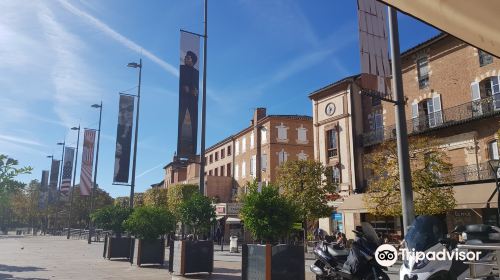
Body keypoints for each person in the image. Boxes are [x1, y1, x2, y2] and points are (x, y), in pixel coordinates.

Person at [178, 51, 200, 158]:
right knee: (181, 120)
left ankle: (192, 149)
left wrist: (193, 91)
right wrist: (185, 88)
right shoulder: (181, 69)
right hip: (183, 100)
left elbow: (196, 89)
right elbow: (182, 84)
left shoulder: (196, 73)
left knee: (194, 122)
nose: (186, 59)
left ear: (193, 61)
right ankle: (181, 146)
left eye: (188, 58)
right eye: (186, 57)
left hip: (193, 101)